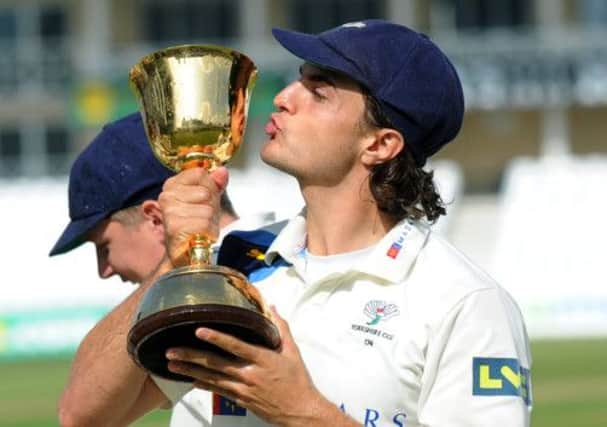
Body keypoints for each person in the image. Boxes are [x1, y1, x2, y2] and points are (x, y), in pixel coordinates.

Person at [154, 19, 533, 427]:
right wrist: (174, 263)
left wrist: (303, 412)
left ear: (380, 144)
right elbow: (84, 411)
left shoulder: (465, 301)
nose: (283, 98)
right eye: (297, 80)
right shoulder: (228, 258)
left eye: (318, 92)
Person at [50, 112, 260, 426]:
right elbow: (84, 416)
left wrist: (172, 262)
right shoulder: (243, 270)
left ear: (156, 220)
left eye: (104, 247)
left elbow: (76, 417)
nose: (104, 270)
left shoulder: (233, 283)